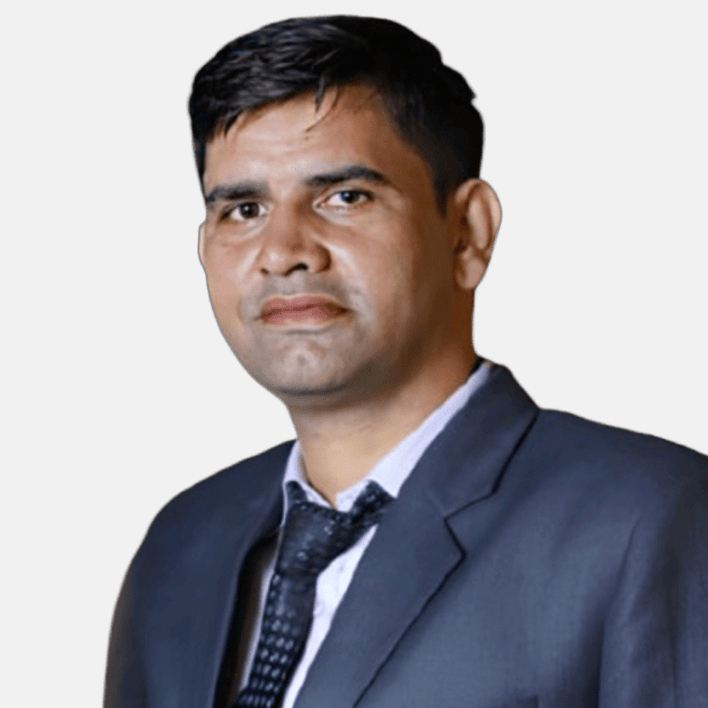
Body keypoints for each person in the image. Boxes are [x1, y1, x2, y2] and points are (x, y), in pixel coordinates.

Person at [104, 15, 708, 708]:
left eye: (344, 197)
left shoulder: (650, 520)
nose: (283, 251)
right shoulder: (179, 546)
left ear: (467, 234)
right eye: (243, 209)